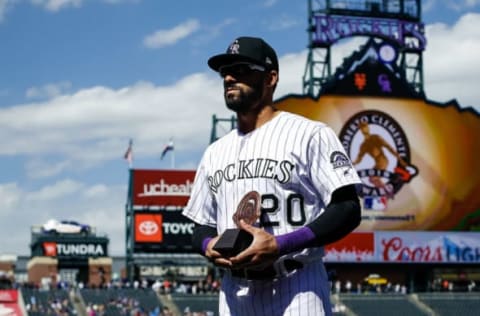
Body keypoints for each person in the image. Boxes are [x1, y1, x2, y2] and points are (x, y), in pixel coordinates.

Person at [182, 36, 362, 316]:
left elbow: (348, 208)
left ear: (271, 78)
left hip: (297, 286)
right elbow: (201, 227)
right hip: (234, 294)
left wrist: (280, 245)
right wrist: (209, 245)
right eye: (225, 72)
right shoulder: (215, 152)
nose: (229, 77)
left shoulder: (310, 134)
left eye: (241, 70)